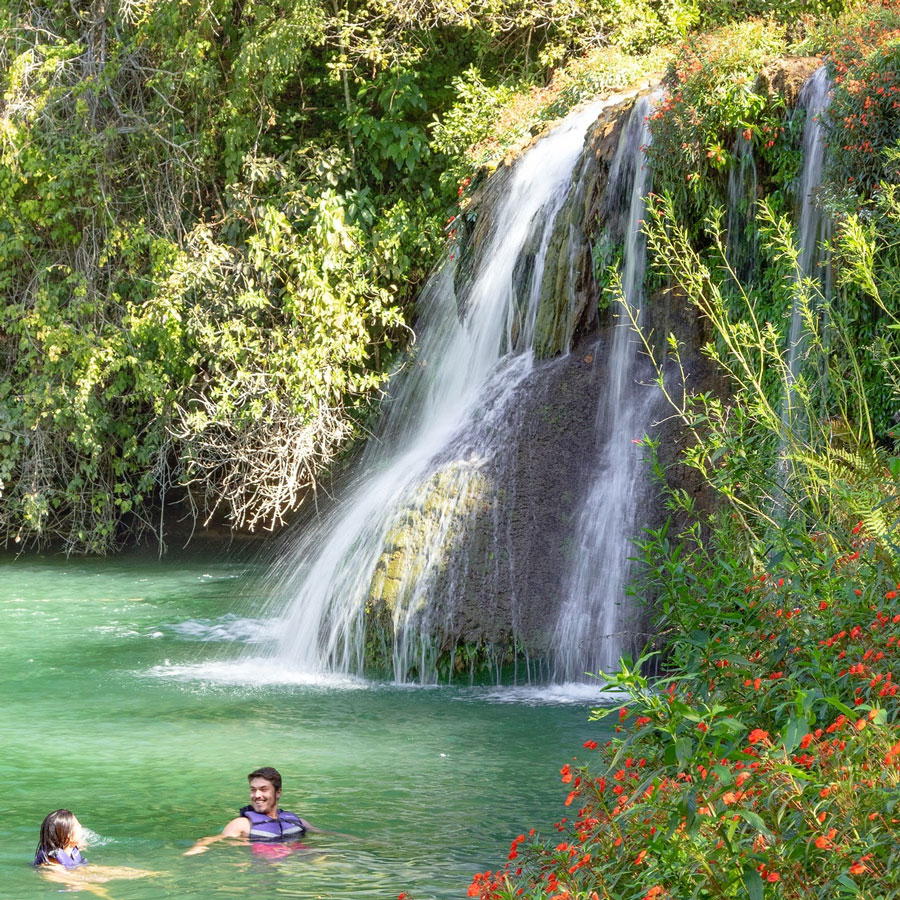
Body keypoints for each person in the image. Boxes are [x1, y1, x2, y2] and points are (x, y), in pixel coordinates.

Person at [184, 766, 319, 856]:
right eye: (253, 790)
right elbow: (216, 839)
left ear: (278, 793)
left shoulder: (296, 821)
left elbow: (323, 834)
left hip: (298, 862)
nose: (257, 795)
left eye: (263, 790)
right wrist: (198, 847)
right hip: (263, 867)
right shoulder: (242, 824)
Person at [33, 809, 155, 896]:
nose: (81, 826)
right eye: (77, 825)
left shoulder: (68, 847)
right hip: (70, 880)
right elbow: (77, 884)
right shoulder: (51, 866)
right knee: (100, 878)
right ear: (68, 836)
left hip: (75, 868)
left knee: (118, 871)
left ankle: (152, 874)